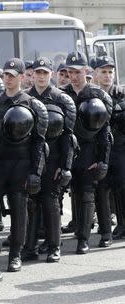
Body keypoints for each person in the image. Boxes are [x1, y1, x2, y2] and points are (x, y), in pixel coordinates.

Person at [0, 57, 48, 272]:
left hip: (21, 163)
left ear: (22, 77)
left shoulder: (32, 104)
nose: (8, 79)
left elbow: (39, 142)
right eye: (5, 75)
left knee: (19, 210)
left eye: (13, 76)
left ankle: (15, 255)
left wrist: (35, 172)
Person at [24, 57, 77, 262]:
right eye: (38, 72)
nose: (41, 76)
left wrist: (65, 166)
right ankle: (29, 247)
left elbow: (68, 137)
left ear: (51, 75)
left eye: (45, 73)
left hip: (53, 158)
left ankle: (54, 246)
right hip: (31, 158)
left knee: (50, 202)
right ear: (33, 74)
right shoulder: (25, 97)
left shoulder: (61, 99)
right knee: (30, 202)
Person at [61, 51, 113, 254]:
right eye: (69, 72)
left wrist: (102, 161)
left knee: (89, 194)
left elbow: (104, 133)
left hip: (90, 149)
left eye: (77, 72)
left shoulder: (98, 95)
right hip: (69, 149)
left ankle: (85, 238)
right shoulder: (63, 94)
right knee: (73, 193)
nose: (73, 76)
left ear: (86, 71)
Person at [91, 55, 124, 243]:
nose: (107, 75)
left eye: (110, 72)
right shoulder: (91, 95)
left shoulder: (120, 94)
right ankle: (106, 232)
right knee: (101, 190)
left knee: (121, 187)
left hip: (119, 149)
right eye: (103, 71)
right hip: (98, 149)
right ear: (95, 73)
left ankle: (123, 226)